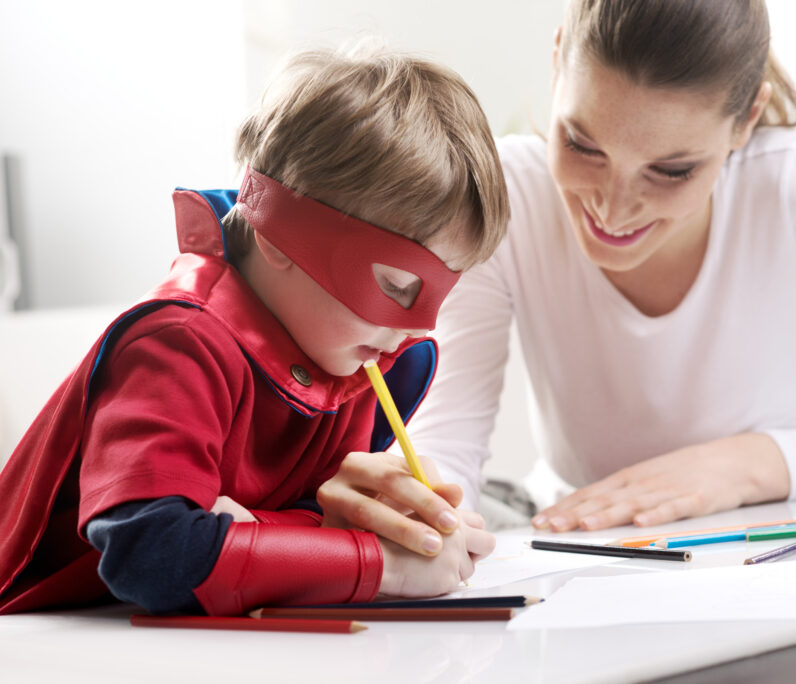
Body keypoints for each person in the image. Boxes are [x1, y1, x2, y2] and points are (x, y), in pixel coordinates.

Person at [321, 0, 796, 538]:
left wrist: (741, 466)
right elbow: (448, 442)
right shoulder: (507, 196)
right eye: (582, 144)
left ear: (745, 123)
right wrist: (425, 511)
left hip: (782, 552)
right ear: (558, 62)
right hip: (578, 550)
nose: (613, 209)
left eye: (672, 170)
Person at [0, 46, 508, 616]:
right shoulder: (177, 345)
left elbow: (279, 528)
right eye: (395, 284)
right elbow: (149, 554)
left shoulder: (356, 355)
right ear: (278, 232)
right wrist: (380, 565)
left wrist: (355, 524)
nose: (417, 327)